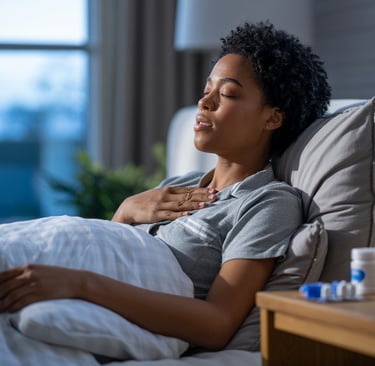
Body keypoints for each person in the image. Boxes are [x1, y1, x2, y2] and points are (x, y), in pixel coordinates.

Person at [0, 22, 331, 352]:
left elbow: (216, 324)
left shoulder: (268, 202)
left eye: (227, 93)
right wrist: (125, 211)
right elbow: (112, 255)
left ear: (272, 118)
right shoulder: (175, 186)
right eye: (206, 90)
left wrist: (80, 284)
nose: (205, 103)